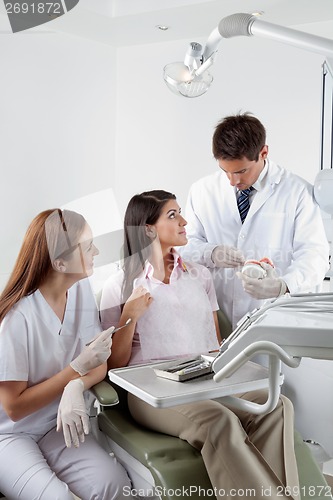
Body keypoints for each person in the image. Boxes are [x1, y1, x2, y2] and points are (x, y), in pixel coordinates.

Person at [100, 190, 307, 500]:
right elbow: (114, 365)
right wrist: (129, 313)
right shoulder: (119, 285)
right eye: (173, 215)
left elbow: (215, 342)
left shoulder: (198, 277)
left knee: (276, 404)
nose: (184, 221)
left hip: (204, 379)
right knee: (218, 421)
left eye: (181, 212)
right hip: (151, 393)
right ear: (148, 228)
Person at [0, 209, 133, 500]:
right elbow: (14, 409)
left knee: (115, 487)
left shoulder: (81, 289)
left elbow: (97, 360)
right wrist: (74, 371)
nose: (96, 251)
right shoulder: (16, 318)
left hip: (58, 423)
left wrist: (77, 385)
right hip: (10, 435)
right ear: (60, 262)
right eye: (88, 246)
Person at [180, 113, 329, 329]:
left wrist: (283, 285)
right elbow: (185, 246)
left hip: (273, 320)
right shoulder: (202, 190)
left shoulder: (297, 192)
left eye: (241, 171)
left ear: (263, 152)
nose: (233, 181)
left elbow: (315, 255)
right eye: (225, 171)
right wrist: (210, 253)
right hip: (215, 321)